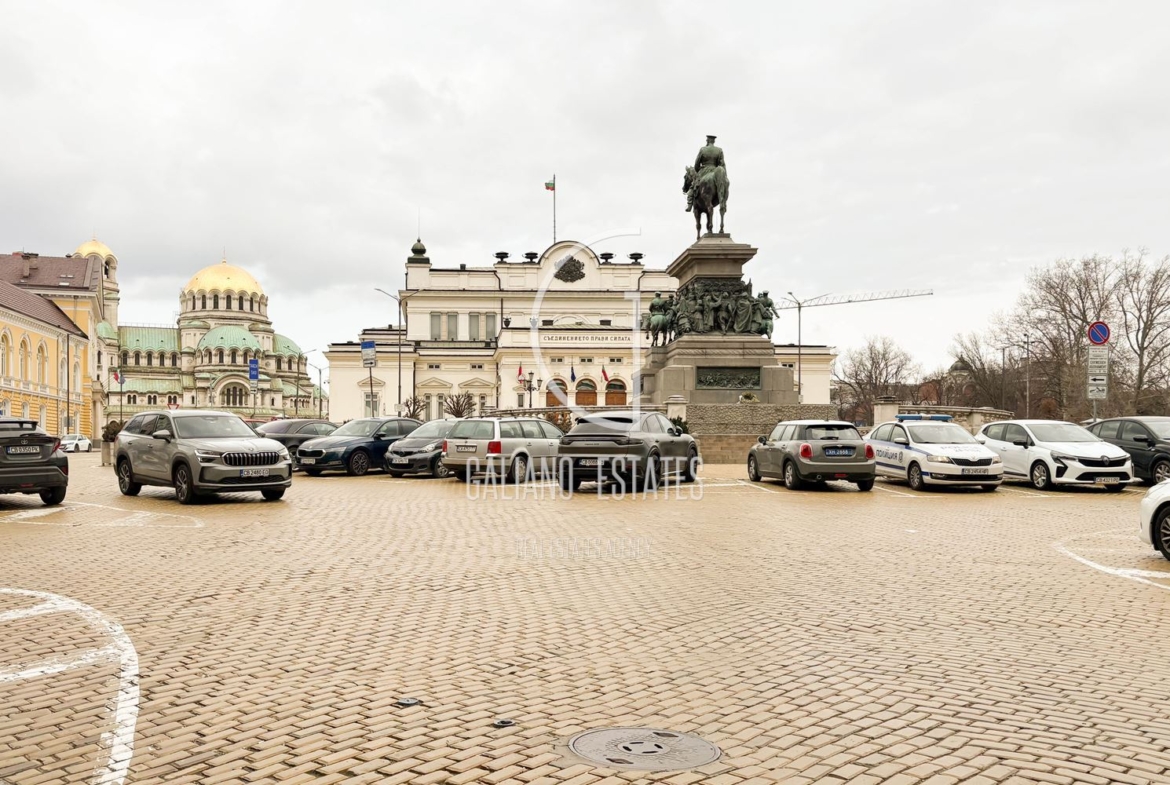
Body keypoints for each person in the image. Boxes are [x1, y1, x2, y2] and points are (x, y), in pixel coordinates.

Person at [685, 134, 727, 212]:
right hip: (715, 171)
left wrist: (697, 171)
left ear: (707, 141)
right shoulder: (719, 150)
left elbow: (696, 164)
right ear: (714, 141)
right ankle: (723, 199)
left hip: (704, 171)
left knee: (692, 186)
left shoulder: (703, 149)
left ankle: (689, 204)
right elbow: (722, 164)